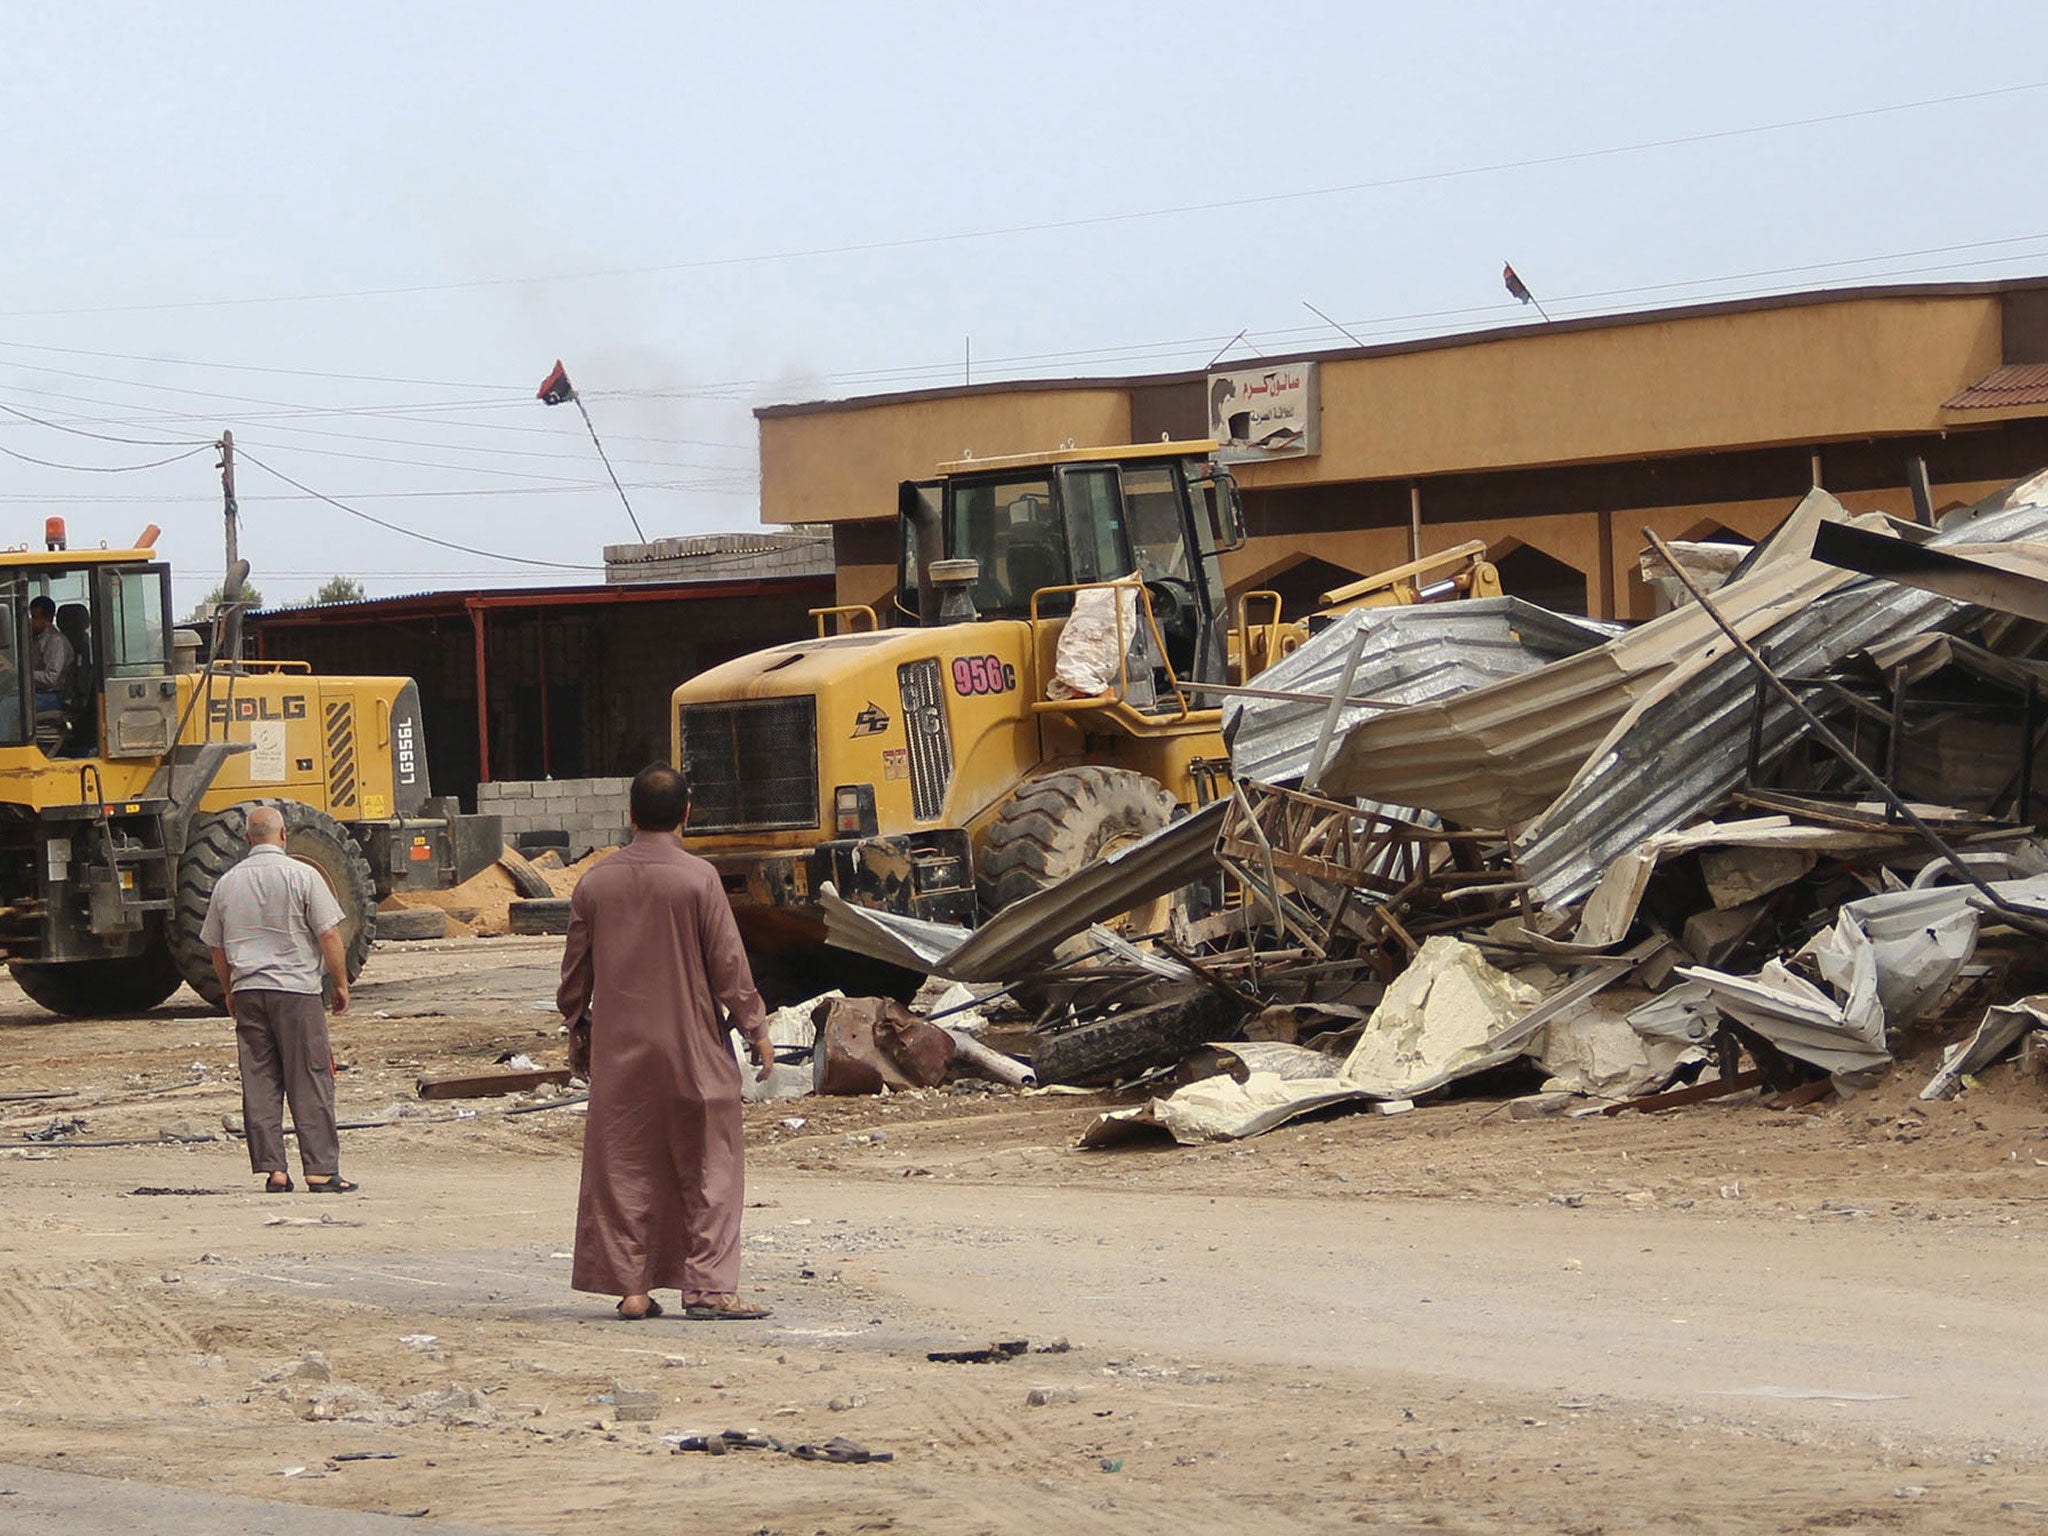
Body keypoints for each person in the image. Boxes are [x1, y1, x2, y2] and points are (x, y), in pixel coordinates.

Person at [557, 762, 775, 1322]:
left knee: (624, 1164)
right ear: (686, 815)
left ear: (629, 815)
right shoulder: (698, 880)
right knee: (710, 1166)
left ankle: (632, 1289)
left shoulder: (594, 884)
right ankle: (707, 1289)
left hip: (620, 1053)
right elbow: (729, 967)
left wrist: (579, 1031)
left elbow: (573, 978)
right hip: (693, 1049)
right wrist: (756, 1029)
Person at [201, 804, 356, 1194]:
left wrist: (229, 990)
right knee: (310, 1078)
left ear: (247, 839)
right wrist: (340, 983)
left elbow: (216, 949)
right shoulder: (303, 876)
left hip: (249, 991)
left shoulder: (226, 884)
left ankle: (274, 1170)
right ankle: (320, 1171)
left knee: (260, 1079)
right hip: (296, 993)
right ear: (283, 835)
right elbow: (330, 935)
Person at [28, 596, 72, 717]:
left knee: (7, 706)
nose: (30, 621)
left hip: (53, 696)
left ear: (47, 620)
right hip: (37, 693)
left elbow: (50, 678)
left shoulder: (55, 640)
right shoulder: (35, 638)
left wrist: (23, 674)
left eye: (35, 617)